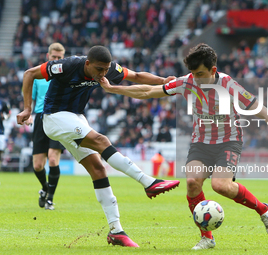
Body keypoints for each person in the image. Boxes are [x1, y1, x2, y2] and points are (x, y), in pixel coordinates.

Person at [99, 43, 268, 249]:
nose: (196, 78)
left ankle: (264, 210)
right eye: (192, 73)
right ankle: (207, 238)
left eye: (200, 73)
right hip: (200, 143)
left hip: (229, 141)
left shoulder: (229, 85)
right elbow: (149, 91)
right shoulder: (188, 82)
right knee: (193, 182)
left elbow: (264, 111)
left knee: (220, 186)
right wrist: (114, 89)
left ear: (213, 70)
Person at [17, 45, 179, 247]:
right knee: (101, 141)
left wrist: (163, 81)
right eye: (99, 70)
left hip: (76, 117)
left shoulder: (107, 68)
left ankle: (116, 231)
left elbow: (135, 76)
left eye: (106, 70)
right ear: (87, 64)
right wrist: (26, 109)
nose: (103, 74)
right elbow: (29, 73)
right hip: (54, 117)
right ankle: (148, 182)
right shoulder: (66, 66)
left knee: (98, 168)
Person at [31, 43, 66, 210]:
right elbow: (32, 98)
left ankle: (50, 199)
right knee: (38, 165)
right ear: (48, 56)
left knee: (53, 159)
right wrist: (28, 113)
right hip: (39, 117)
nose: (57, 60)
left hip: (58, 117)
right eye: (54, 57)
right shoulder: (38, 75)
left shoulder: (67, 75)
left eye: (60, 58)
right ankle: (45, 189)